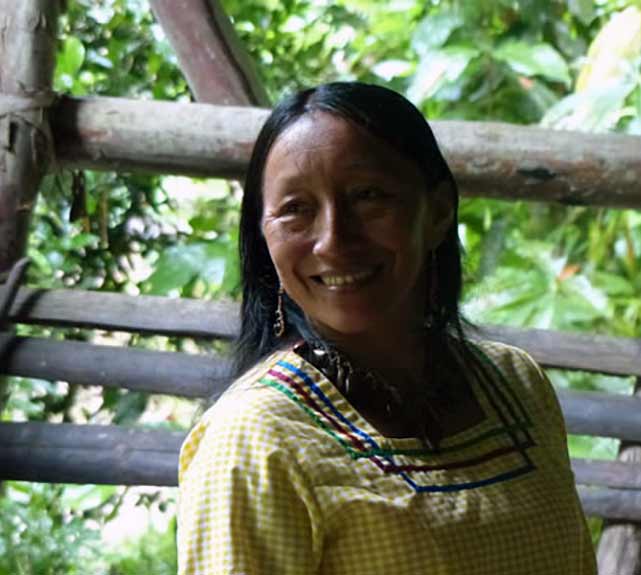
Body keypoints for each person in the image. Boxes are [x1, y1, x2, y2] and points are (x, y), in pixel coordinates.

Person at [177, 82, 597, 574]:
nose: (334, 241)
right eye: (296, 209)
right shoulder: (256, 441)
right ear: (263, 235)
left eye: (368, 196)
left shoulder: (516, 384)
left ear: (438, 211)